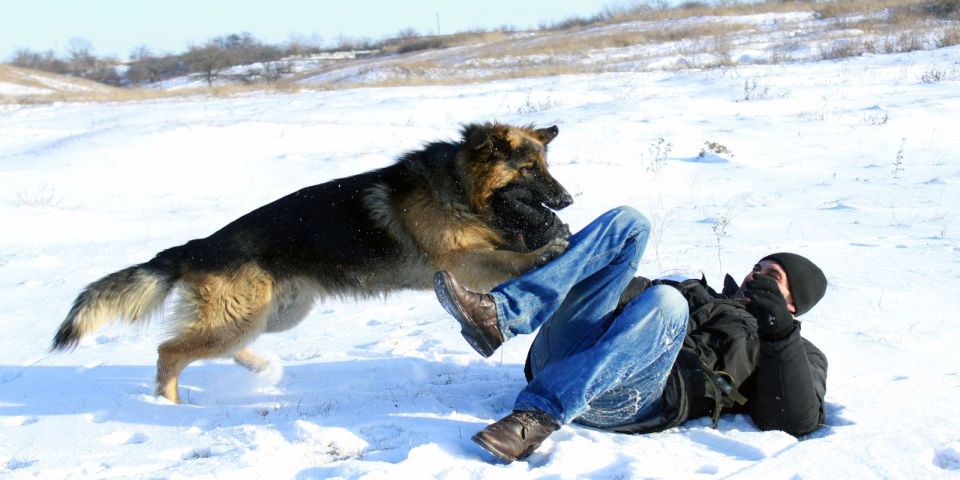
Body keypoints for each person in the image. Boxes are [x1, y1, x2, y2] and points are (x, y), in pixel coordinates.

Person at [433, 206, 828, 463]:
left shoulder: (797, 350)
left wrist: (778, 332)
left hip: (632, 399)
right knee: (630, 224)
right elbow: (619, 290)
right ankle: (500, 315)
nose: (756, 275)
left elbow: (796, 421)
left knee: (666, 302)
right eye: (757, 268)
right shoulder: (699, 292)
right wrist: (574, 257)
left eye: (772, 276)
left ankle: (537, 417)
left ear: (793, 303)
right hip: (562, 360)